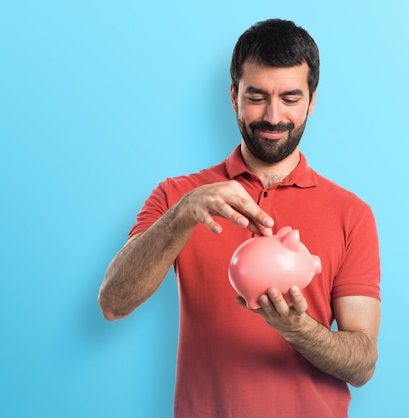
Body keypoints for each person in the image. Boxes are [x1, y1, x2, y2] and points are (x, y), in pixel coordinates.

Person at [98, 18, 381, 418]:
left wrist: (297, 330)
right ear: (233, 95)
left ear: (312, 100)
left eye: (290, 98)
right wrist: (183, 214)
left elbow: (363, 363)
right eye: (257, 96)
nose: (272, 115)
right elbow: (113, 303)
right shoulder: (178, 196)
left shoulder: (352, 214)